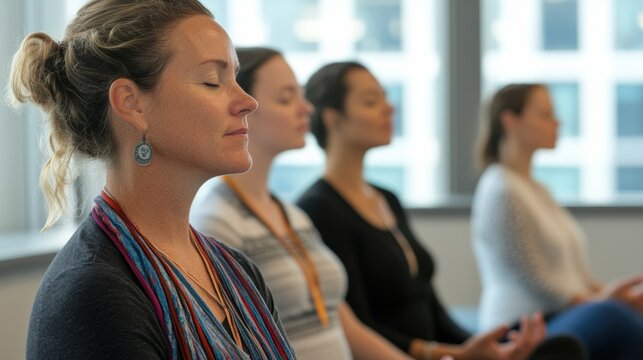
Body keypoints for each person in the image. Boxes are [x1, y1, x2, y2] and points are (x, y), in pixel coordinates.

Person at [11, 1, 294, 359]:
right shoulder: (95, 294)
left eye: (235, 78)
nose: (247, 101)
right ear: (132, 104)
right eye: (212, 80)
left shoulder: (239, 272)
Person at [296, 62, 554, 360]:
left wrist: (489, 349)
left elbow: (432, 308)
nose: (389, 108)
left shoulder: (386, 198)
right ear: (332, 119)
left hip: (439, 353)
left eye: (385, 97)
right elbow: (359, 327)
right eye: (371, 101)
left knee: (557, 349)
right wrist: (449, 354)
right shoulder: (319, 208)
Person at [190, 47, 414, 360]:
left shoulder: (293, 215)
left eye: (302, 96)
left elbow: (342, 325)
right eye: (286, 98)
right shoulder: (217, 221)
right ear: (242, 106)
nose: (306, 109)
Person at [472, 83, 643, 359]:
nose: (557, 122)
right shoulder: (501, 189)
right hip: (522, 326)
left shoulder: (537, 189)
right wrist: (607, 299)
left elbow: (576, 278)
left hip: (563, 313)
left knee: (620, 313)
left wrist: (618, 295)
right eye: (545, 114)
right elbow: (539, 283)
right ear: (510, 121)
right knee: (613, 318)